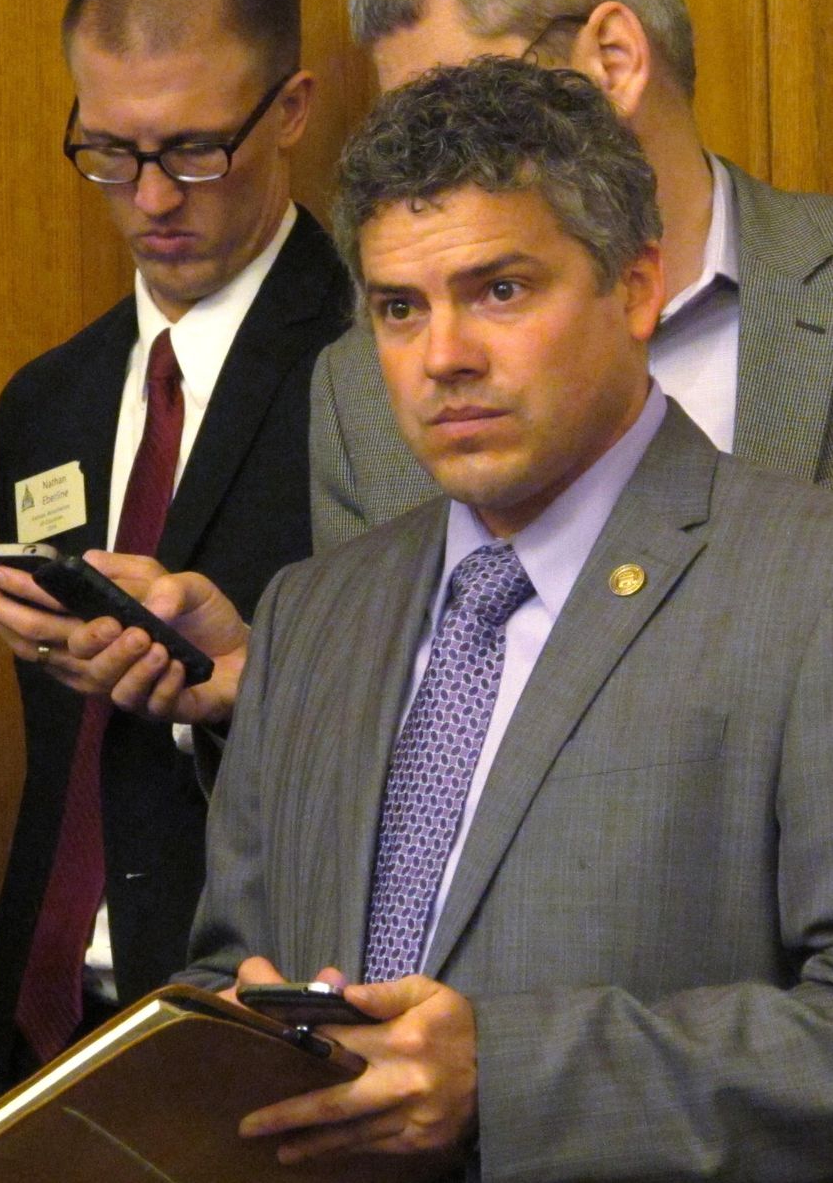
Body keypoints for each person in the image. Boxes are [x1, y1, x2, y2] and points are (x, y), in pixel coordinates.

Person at [157, 59, 833, 1180]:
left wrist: (505, 1080)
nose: (444, 358)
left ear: (636, 287)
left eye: (501, 291)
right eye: (399, 308)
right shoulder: (312, 613)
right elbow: (228, 968)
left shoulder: (803, 580)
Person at [0, 0, 348, 1111]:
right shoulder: (44, 404)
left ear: (289, 110)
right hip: (40, 1029)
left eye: (192, 150)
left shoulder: (376, 375)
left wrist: (237, 687)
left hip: (258, 1036)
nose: (149, 199)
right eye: (107, 151)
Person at [309, 0, 833, 551]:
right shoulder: (360, 387)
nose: (431, 152)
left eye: (476, 101)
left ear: (612, 61)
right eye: (409, 119)